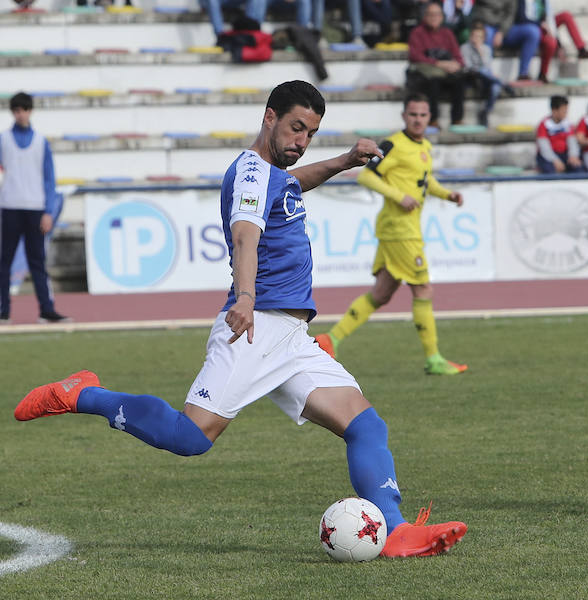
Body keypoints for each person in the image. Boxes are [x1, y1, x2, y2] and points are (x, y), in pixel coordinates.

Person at [13, 81, 467, 557]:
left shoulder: (275, 172)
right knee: (190, 438)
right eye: (295, 128)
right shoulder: (251, 172)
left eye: (311, 133)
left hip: (291, 337)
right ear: (268, 116)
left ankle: (394, 531)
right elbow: (246, 235)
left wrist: (342, 160)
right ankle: (84, 394)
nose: (301, 141)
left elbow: (292, 185)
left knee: (367, 426)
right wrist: (246, 296)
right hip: (255, 326)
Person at [315, 93, 468, 376]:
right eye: (413, 114)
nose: (418, 120)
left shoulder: (424, 147)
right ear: (404, 116)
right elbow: (366, 175)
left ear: (428, 118)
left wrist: (447, 194)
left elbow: (424, 180)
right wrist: (399, 196)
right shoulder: (392, 144)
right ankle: (433, 358)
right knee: (423, 289)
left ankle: (330, 339)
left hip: (400, 230)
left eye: (423, 115)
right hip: (401, 231)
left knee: (381, 294)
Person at [0, 92, 68, 324]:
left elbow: (50, 179)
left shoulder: (41, 142)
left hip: (35, 208)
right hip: (9, 206)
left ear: (30, 111)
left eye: (24, 110)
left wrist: (49, 211)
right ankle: (3, 309)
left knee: (37, 261)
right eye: (17, 110)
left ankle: (46, 309)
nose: (21, 114)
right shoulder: (3, 140)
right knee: (4, 261)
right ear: (12, 112)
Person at [406, 1, 467, 127]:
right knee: (433, 82)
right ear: (425, 16)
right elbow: (415, 56)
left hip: (445, 73)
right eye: (431, 14)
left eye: (437, 14)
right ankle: (433, 120)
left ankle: (457, 120)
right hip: (425, 74)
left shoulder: (447, 33)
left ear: (442, 17)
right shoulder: (417, 33)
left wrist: (455, 64)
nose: (434, 17)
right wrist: (438, 63)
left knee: (460, 81)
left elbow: (458, 57)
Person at [521, 0, 588, 83]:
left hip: (544, 26)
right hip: (531, 27)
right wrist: (539, 24)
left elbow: (550, 21)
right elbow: (522, 17)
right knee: (549, 41)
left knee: (566, 15)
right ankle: (542, 73)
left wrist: (559, 44)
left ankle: (582, 49)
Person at [472, 0, 541, 80]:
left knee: (533, 32)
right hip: (487, 25)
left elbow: (510, 15)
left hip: (506, 29)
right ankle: (487, 75)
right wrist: (496, 27)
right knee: (487, 34)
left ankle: (523, 74)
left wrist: (501, 31)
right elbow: (482, 12)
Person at [461, 21, 510, 126]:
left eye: (479, 37)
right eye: (474, 36)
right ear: (470, 36)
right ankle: (504, 84)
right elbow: (468, 67)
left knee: (495, 87)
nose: (476, 39)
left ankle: (486, 111)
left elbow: (487, 67)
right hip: (471, 77)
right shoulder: (464, 48)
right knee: (482, 72)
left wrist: (480, 53)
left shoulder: (486, 49)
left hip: (485, 78)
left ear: (483, 38)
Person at [535, 95, 585, 174]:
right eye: (563, 111)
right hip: (549, 156)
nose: (566, 113)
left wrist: (573, 156)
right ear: (554, 110)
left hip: (565, 154)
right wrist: (555, 160)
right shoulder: (544, 125)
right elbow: (544, 148)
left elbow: (572, 142)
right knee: (550, 171)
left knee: (579, 169)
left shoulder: (567, 124)